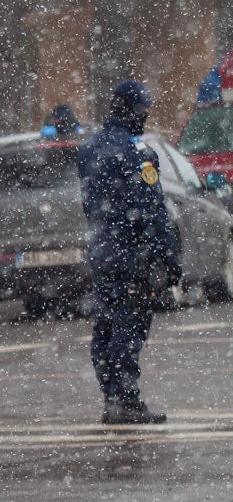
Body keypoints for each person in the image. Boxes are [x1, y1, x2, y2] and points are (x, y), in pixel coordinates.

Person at [78, 80, 180, 425]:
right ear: (135, 110)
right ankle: (126, 398)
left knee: (106, 323)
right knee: (130, 322)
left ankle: (111, 396)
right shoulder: (137, 152)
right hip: (130, 252)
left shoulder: (91, 148)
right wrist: (168, 255)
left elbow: (90, 203)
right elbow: (151, 208)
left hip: (102, 249)